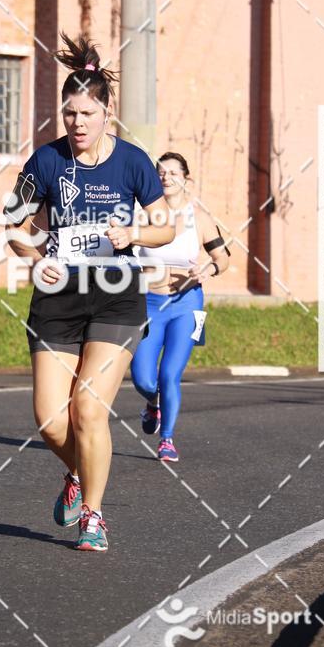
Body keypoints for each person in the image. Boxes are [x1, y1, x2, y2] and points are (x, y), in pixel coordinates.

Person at [4, 33, 175, 552]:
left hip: (117, 294)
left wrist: (134, 235)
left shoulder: (133, 162)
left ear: (107, 114)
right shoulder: (46, 161)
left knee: (88, 410)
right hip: (58, 298)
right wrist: (37, 262)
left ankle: (94, 517)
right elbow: (14, 226)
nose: (76, 122)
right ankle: (77, 475)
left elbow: (164, 228)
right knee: (52, 421)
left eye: (86, 113)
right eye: (69, 112)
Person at [130, 152, 230, 462]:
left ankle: (167, 439)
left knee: (170, 373)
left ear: (186, 178)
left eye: (173, 172)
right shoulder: (142, 217)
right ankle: (153, 402)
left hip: (187, 303)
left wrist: (208, 270)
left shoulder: (199, 218)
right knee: (143, 378)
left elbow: (222, 259)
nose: (166, 176)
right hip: (148, 303)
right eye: (160, 171)